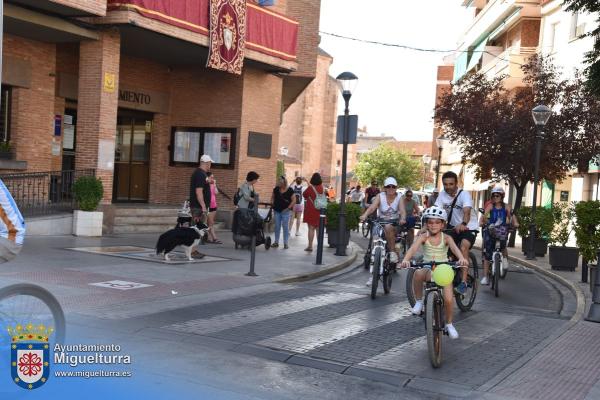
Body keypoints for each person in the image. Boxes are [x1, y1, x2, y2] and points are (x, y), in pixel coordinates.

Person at [400, 206, 468, 340]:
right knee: (418, 273)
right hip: (428, 267)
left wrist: (461, 259)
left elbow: (455, 249)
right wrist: (406, 260)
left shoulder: (447, 238)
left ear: (443, 224)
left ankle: (449, 324)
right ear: (426, 224)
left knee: (449, 299)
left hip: (444, 269)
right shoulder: (423, 237)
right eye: (430, 222)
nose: (433, 225)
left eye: (437, 222)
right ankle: (419, 302)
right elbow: (413, 249)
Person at [434, 171, 479, 293]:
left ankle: (464, 281)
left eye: (451, 184)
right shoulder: (442, 195)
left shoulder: (464, 194)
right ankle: (446, 271)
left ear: (456, 183)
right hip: (453, 227)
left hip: (469, 227)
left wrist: (463, 224)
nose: (448, 187)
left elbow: (467, 212)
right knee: (442, 245)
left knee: (464, 247)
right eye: (445, 184)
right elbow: (436, 212)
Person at [360, 177, 407, 285]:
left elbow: (403, 211)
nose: (391, 188)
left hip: (395, 223)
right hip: (380, 222)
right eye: (388, 186)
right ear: (385, 188)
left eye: (393, 186)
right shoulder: (380, 196)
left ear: (396, 188)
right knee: (375, 240)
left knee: (388, 227)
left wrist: (403, 219)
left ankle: (391, 253)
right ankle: (373, 275)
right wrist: (365, 215)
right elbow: (372, 208)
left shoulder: (399, 197)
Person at [479, 187, 519, 285]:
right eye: (494, 195)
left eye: (498, 195)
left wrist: (515, 223)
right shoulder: (490, 206)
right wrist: (482, 221)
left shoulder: (506, 207)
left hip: (502, 230)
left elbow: (512, 216)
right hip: (491, 230)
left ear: (502, 196)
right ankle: (485, 277)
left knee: (503, 246)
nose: (495, 197)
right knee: (487, 254)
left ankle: (505, 261)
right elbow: (484, 216)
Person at [189, 154, 213, 258]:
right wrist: (203, 206)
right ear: (207, 163)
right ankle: (192, 251)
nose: (210, 165)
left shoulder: (202, 174)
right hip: (198, 207)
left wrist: (209, 181)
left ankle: (193, 250)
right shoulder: (200, 174)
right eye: (210, 163)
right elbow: (199, 192)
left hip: (198, 206)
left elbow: (203, 185)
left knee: (197, 229)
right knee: (196, 229)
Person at [271, 176, 296, 249]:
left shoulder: (290, 190)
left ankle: (285, 243)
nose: (279, 185)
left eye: (280, 183)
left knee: (285, 227)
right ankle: (276, 242)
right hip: (277, 211)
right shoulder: (276, 189)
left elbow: (294, 200)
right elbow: (272, 197)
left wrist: (288, 208)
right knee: (277, 227)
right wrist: (272, 203)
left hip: (286, 211)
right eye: (278, 183)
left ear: (284, 183)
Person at [302, 173, 325, 252]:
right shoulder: (322, 187)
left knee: (311, 228)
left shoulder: (310, 188)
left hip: (311, 210)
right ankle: (319, 246)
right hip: (320, 211)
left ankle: (310, 246)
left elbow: (304, 194)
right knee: (319, 229)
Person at [205, 172, 222, 244]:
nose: (213, 179)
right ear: (207, 178)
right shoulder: (205, 185)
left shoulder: (212, 185)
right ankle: (214, 238)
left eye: (213, 177)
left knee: (210, 223)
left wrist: (214, 184)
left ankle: (209, 238)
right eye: (211, 177)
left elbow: (216, 192)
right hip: (208, 206)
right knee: (210, 222)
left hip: (214, 205)